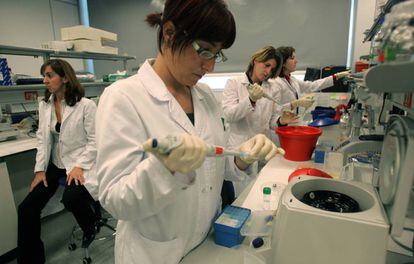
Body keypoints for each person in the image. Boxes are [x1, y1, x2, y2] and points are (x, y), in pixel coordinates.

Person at [93, 1, 282, 263]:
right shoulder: (123, 97)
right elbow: (115, 200)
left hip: (205, 243)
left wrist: (239, 159)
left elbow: (212, 165)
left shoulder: (204, 96)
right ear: (169, 33)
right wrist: (164, 169)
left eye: (216, 55)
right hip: (156, 254)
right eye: (204, 51)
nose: (210, 67)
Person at [17, 59, 98, 264]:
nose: (45, 80)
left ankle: (91, 226)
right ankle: (31, 260)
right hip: (56, 164)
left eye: (49, 75)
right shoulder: (45, 105)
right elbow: (43, 139)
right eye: (44, 75)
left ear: (64, 78)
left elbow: (95, 141)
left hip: (79, 163)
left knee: (71, 198)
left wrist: (79, 166)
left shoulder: (85, 105)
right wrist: (39, 170)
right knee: (27, 208)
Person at [221, 46, 285, 194]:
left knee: (261, 195)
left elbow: (271, 121)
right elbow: (229, 115)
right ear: (256, 60)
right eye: (266, 65)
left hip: (262, 150)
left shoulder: (272, 88)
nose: (268, 71)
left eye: (272, 68)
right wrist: (251, 100)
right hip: (240, 150)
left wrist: (282, 120)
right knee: (242, 197)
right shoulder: (234, 83)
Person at [272, 46, 350, 125]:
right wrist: (295, 104)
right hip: (280, 128)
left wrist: (335, 77)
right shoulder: (276, 83)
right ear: (283, 62)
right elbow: (274, 110)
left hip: (293, 125)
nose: (296, 61)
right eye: (292, 58)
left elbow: (312, 85)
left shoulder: (292, 80)